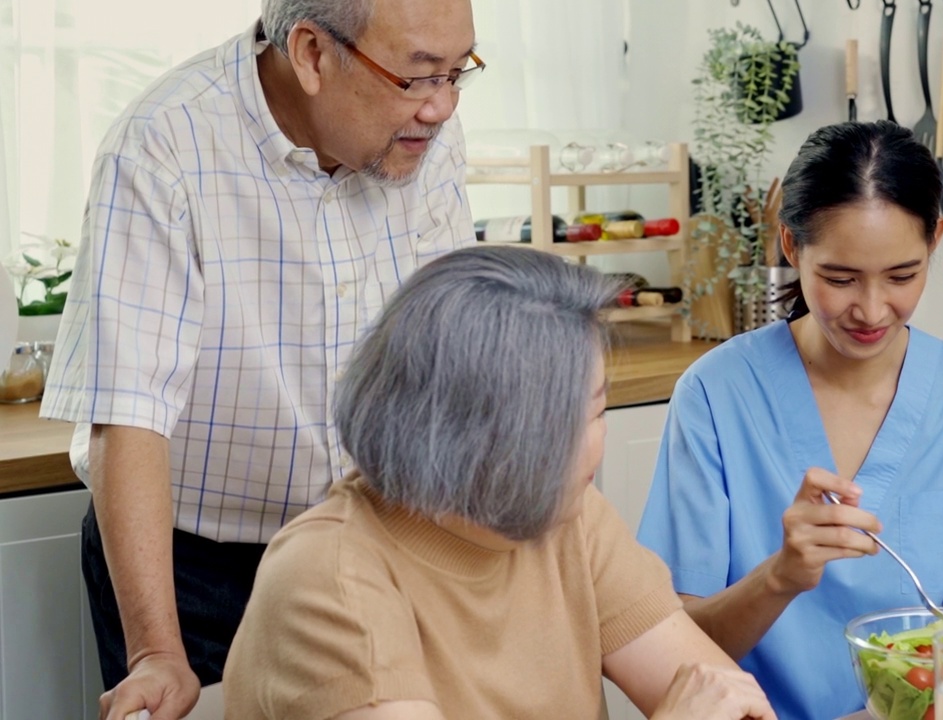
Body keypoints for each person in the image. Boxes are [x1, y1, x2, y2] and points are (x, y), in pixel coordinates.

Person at [38, 0, 478, 717]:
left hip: (372, 545)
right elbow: (128, 413)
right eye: (418, 77)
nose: (442, 107)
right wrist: (156, 652)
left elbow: (444, 354)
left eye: (458, 73)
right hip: (197, 567)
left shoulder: (420, 133)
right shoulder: (163, 146)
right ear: (310, 53)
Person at [221, 245, 777, 720]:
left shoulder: (566, 514)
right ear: (484, 437)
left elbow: (722, 699)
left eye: (599, 409)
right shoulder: (328, 581)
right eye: (585, 415)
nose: (596, 443)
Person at [636, 121, 943, 720]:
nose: (870, 309)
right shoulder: (716, 396)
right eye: (840, 279)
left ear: (936, 239)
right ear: (791, 247)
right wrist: (780, 577)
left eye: (902, 276)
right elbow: (677, 664)